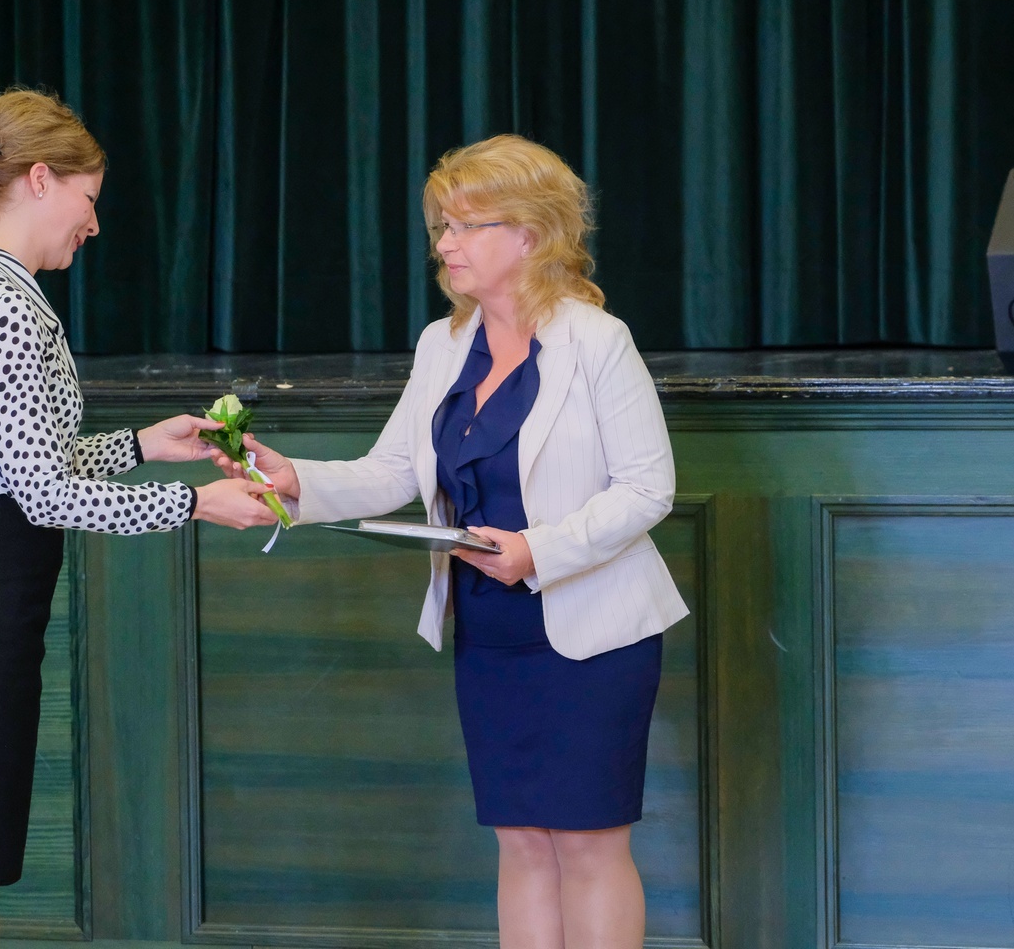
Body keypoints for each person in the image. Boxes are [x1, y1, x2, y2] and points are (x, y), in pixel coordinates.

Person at [219, 134, 688, 949]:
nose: (445, 244)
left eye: (468, 226)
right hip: (488, 630)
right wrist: (297, 481)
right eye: (443, 225)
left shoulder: (596, 340)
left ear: (531, 234)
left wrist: (538, 551)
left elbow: (649, 488)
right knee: (520, 840)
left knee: (586, 842)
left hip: (593, 633)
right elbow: (394, 469)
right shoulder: (443, 344)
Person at [0, 89, 277, 949]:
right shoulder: (0, 303)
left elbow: (14, 464)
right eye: (88, 198)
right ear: (38, 179)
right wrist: (196, 502)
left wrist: (143, 444)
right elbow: (42, 494)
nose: (93, 224)